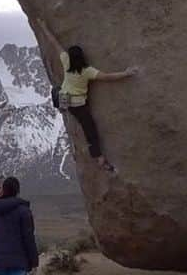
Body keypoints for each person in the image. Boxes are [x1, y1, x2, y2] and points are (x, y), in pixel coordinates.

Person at [33, 18, 138, 172]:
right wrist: (127, 73)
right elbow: (107, 77)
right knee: (90, 130)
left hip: (64, 99)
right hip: (78, 105)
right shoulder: (87, 72)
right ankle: (99, 158)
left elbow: (54, 44)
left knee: (56, 90)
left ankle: (61, 107)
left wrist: (44, 27)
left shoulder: (66, 62)